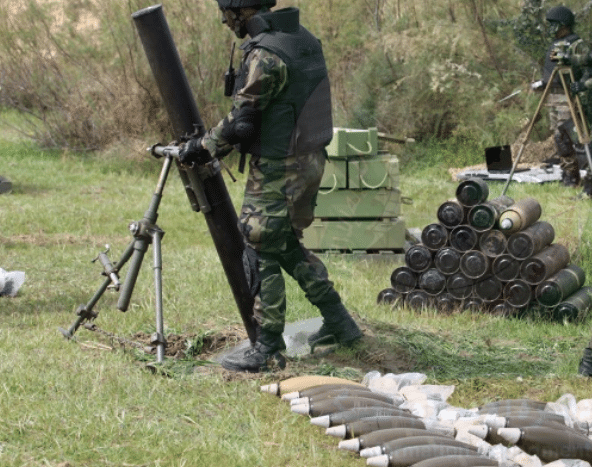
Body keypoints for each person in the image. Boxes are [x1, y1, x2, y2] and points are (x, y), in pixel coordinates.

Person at [179, 0, 363, 372]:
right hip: (309, 159)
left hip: (280, 167)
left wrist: (199, 148)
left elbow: (242, 124)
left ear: (242, 10)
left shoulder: (266, 54)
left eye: (227, 13)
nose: (223, 20)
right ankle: (341, 323)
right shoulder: (302, 38)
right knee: (285, 244)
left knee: (260, 247)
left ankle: (267, 348)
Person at [531, 6, 581, 187]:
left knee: (566, 135)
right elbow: (552, 72)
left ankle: (572, 176)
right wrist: (542, 83)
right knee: (559, 137)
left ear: (563, 24)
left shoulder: (575, 44)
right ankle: (568, 172)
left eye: (553, 24)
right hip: (553, 96)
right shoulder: (555, 44)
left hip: (568, 96)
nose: (550, 28)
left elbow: (581, 70)